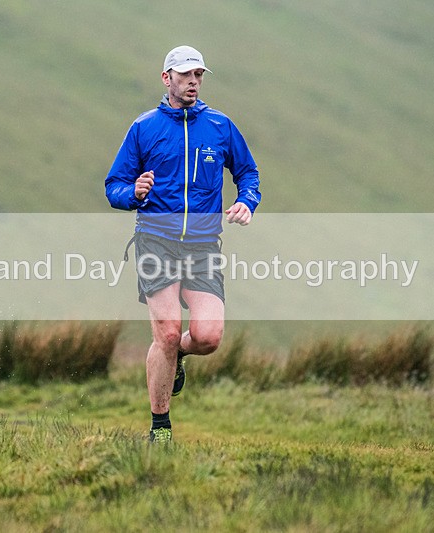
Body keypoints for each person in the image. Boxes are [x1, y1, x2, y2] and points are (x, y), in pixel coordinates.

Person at [105, 45, 261, 443]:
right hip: (156, 242)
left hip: (203, 247)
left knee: (207, 338)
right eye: (186, 74)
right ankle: (160, 427)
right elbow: (114, 186)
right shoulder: (144, 128)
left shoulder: (220, 126)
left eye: (199, 75)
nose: (194, 81)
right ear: (167, 78)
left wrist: (246, 201)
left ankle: (178, 360)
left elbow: (248, 173)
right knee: (168, 333)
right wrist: (134, 194)